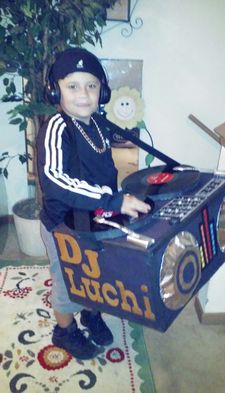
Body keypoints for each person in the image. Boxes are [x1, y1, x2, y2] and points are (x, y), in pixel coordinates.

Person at [37, 47, 151, 360]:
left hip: (94, 220)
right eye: (72, 86)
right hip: (63, 226)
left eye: (91, 85)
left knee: (94, 274)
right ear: (54, 90)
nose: (84, 94)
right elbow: (54, 179)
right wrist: (113, 200)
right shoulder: (57, 129)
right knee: (67, 284)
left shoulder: (99, 124)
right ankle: (64, 330)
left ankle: (91, 313)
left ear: (102, 91)